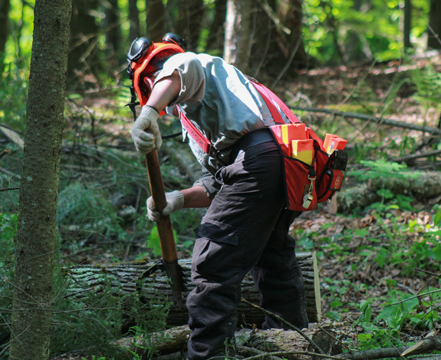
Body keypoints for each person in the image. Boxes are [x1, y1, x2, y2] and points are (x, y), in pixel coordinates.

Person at [128, 33, 309, 360]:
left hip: (262, 162)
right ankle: (292, 344)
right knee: (273, 258)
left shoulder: (187, 68)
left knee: (212, 262)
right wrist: (177, 199)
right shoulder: (217, 99)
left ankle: (207, 355)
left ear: (150, 78)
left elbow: (184, 66)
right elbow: (220, 184)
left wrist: (149, 113)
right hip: (280, 166)